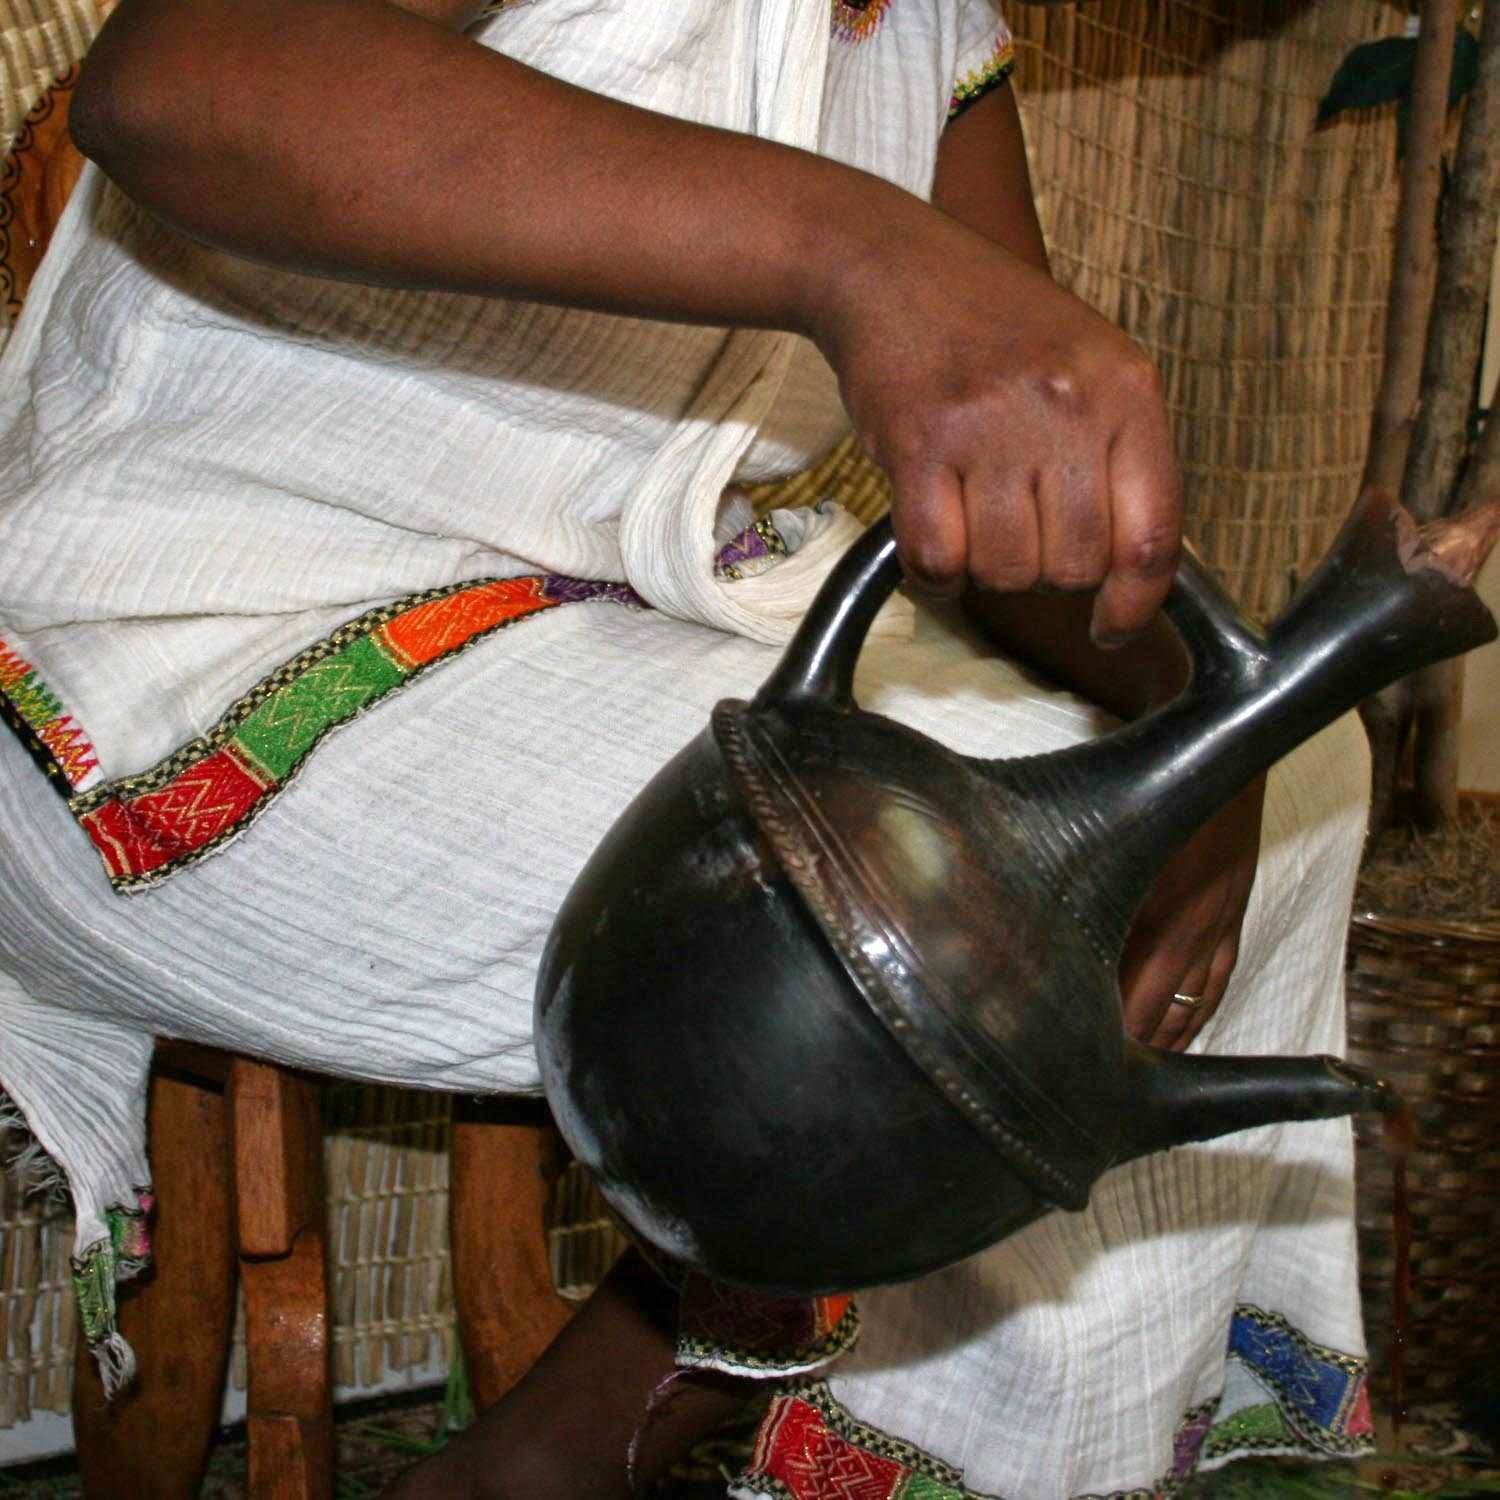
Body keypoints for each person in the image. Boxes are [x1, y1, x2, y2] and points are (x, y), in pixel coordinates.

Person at [0, 0, 1376, 1494]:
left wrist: (1207, 725)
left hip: (611, 623)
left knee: (1285, 765)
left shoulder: (926, 37)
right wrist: (856, 250)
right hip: (181, 650)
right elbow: (183, 73)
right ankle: (588, 1440)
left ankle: (602, 1423)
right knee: (954, 892)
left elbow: (1005, 518)